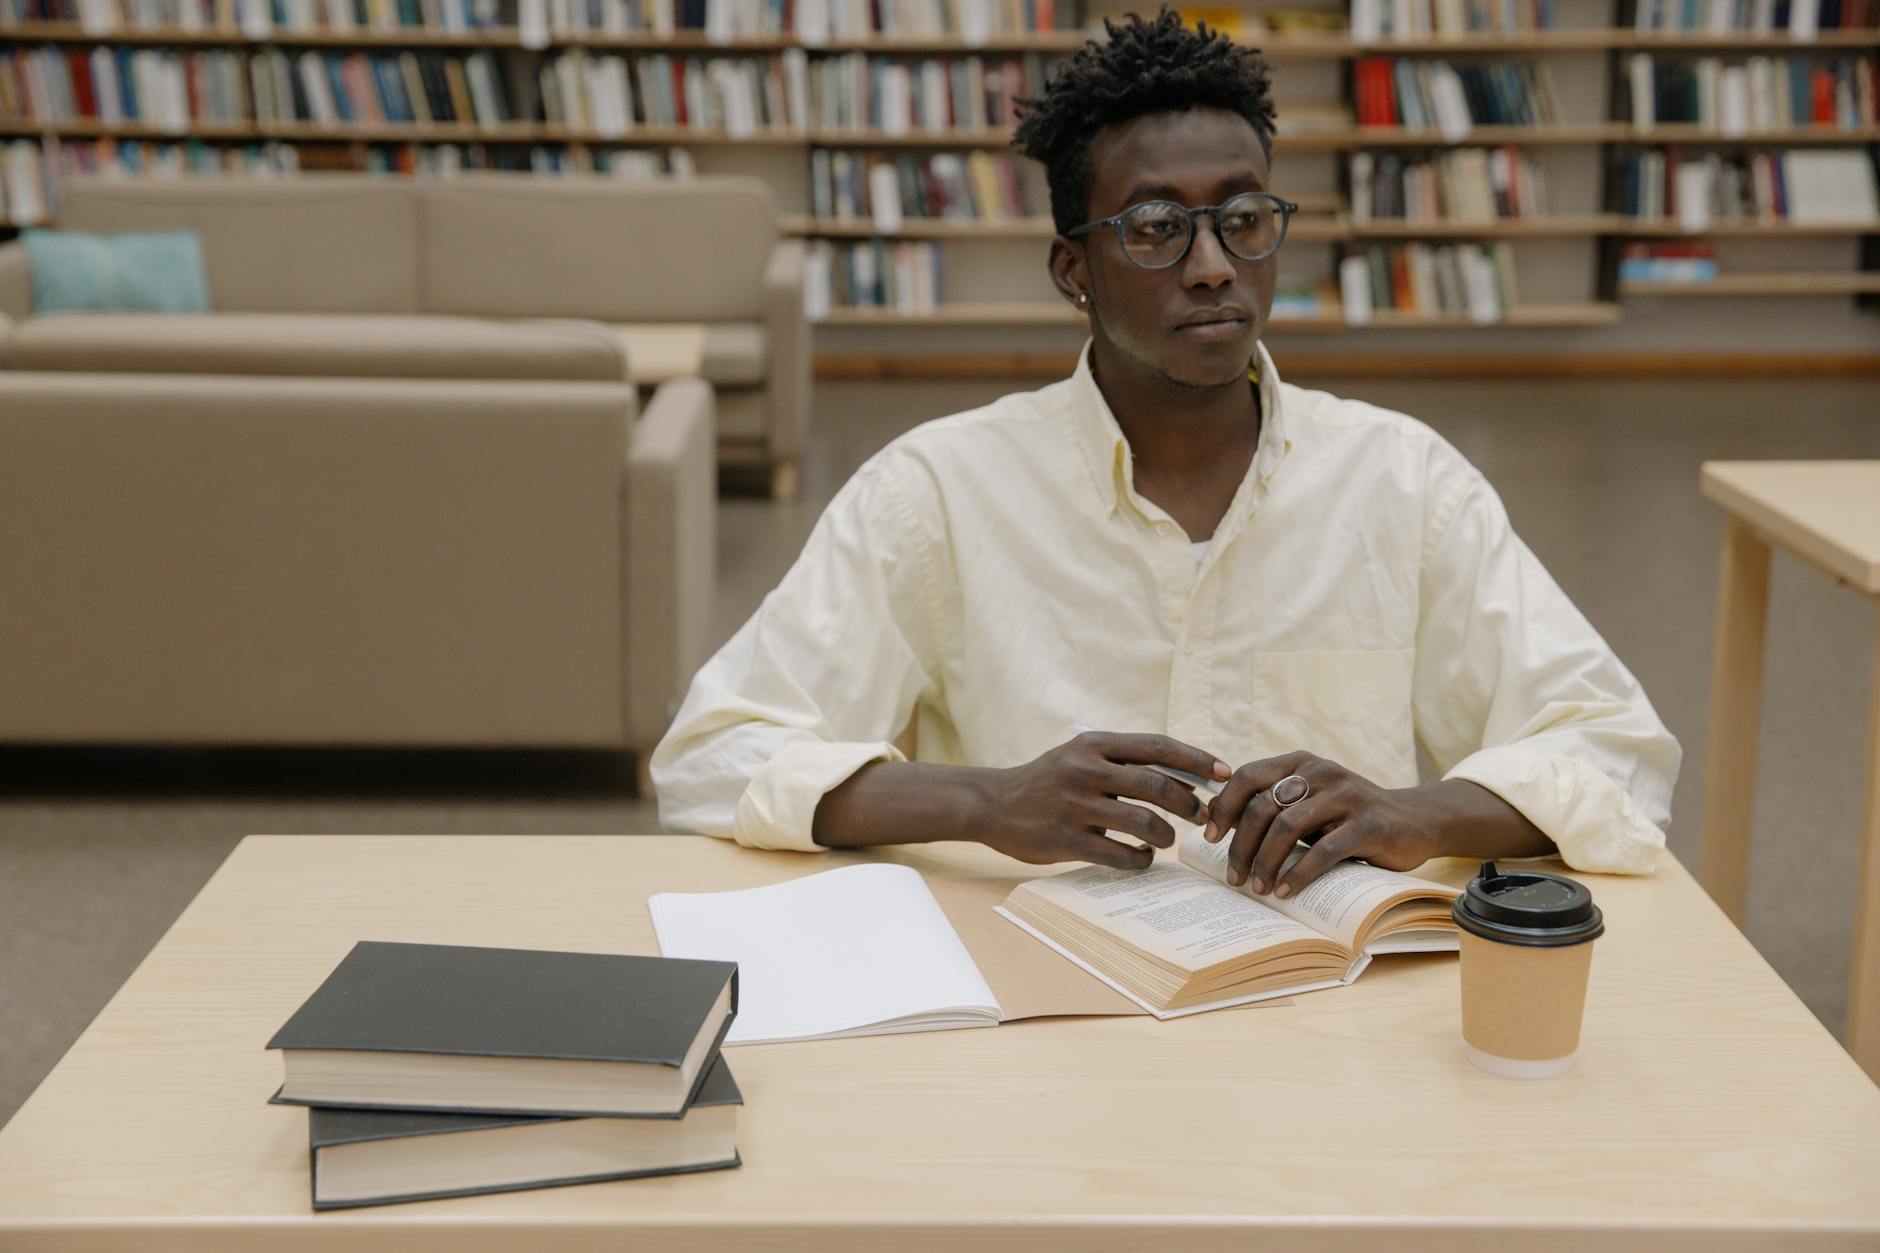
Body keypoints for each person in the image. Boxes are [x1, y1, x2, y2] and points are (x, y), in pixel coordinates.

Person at [652, 9, 1679, 899]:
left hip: (1327, 1009)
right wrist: (982, 797)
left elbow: (1612, 751)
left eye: (1241, 218)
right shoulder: (936, 492)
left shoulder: (1402, 482)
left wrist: (1412, 813)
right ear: (1073, 270)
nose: (1210, 267)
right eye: (1153, 228)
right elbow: (712, 755)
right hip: (1039, 1010)